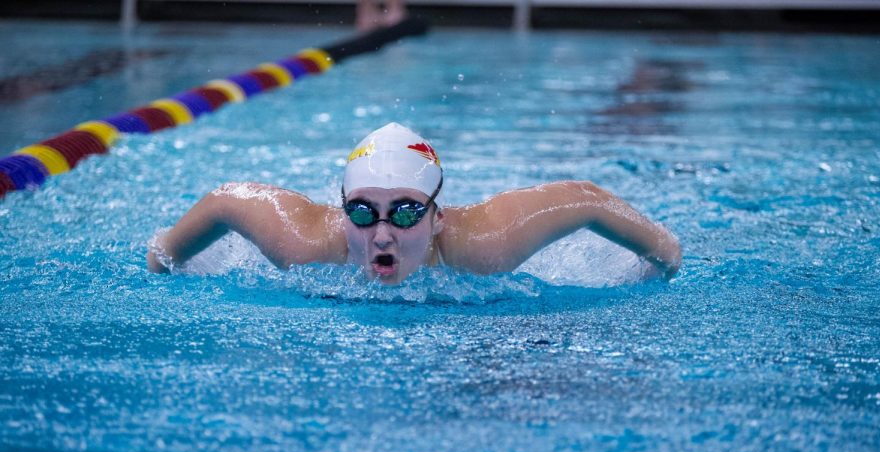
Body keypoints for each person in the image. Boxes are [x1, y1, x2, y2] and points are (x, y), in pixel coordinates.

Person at [146, 123, 682, 284]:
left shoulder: (485, 245)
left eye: (405, 212)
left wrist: (660, 256)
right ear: (341, 213)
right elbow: (222, 201)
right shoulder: (304, 243)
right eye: (362, 211)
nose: (382, 233)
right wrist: (165, 257)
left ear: (438, 217)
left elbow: (585, 199)